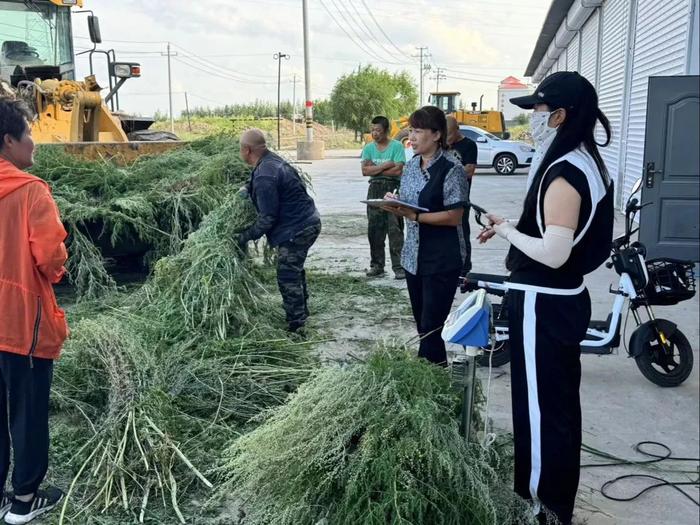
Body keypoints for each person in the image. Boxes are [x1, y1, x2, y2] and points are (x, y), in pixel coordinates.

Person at [478, 72, 614, 525]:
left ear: (559, 115)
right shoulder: (583, 160)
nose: (531, 120)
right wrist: (510, 228)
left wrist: (508, 231)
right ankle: (553, 503)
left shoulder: (565, 173)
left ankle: (542, 509)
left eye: (537, 111)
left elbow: (554, 254)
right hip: (559, 298)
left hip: (544, 300)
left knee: (540, 410)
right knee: (556, 406)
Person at [0, 98, 67, 524]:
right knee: (26, 412)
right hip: (19, 323)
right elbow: (49, 258)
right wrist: (61, 258)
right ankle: (23, 500)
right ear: (8, 141)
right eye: (29, 134)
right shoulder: (30, 191)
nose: (34, 143)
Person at [382, 107, 469, 365]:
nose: (412, 136)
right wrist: (394, 202)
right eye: (411, 130)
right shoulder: (410, 166)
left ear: (436, 134)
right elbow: (409, 201)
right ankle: (431, 376)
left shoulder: (452, 168)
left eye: (418, 131)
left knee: (432, 327)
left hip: (441, 258)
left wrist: (415, 217)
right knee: (423, 325)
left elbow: (454, 216)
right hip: (413, 257)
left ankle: (431, 377)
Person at [237, 129, 321, 333]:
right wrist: (246, 190)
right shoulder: (268, 161)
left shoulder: (265, 175)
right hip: (306, 221)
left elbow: (267, 218)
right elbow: (258, 183)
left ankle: (297, 325)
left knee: (287, 275)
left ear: (247, 150)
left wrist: (243, 237)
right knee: (293, 269)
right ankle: (302, 312)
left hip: (297, 228)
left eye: (240, 149)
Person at [361, 116, 406, 279]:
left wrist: (375, 167)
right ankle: (377, 266)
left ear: (386, 130)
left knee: (395, 229)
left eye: (378, 130)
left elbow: (398, 171)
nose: (374, 133)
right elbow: (365, 171)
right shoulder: (368, 148)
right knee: (374, 230)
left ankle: (399, 267)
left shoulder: (397, 146)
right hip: (374, 189)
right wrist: (387, 165)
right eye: (372, 130)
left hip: (393, 189)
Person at [446, 116, 477, 275]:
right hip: (444, 198)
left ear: (457, 130)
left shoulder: (469, 145)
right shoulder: (442, 144)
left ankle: (465, 267)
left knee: (462, 233)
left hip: (461, 198)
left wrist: (447, 171)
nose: (447, 140)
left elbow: (469, 171)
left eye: (449, 135)